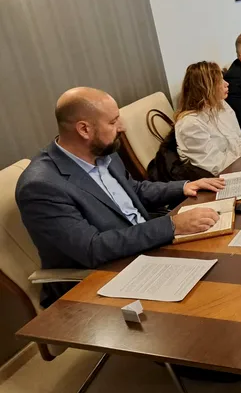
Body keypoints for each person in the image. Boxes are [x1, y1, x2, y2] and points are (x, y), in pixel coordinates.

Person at [15, 87, 225, 307]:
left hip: (147, 249)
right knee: (211, 299)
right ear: (84, 129)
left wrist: (184, 187)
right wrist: (172, 226)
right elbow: (92, 248)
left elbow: (133, 190)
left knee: (222, 263)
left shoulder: (103, 152)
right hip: (102, 278)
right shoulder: (41, 186)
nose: (122, 127)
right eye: (113, 122)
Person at [174, 61, 241, 176]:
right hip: (218, 177)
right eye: (220, 81)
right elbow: (216, 166)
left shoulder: (220, 104)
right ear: (206, 88)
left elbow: (238, 139)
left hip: (239, 164)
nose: (226, 84)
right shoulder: (190, 124)